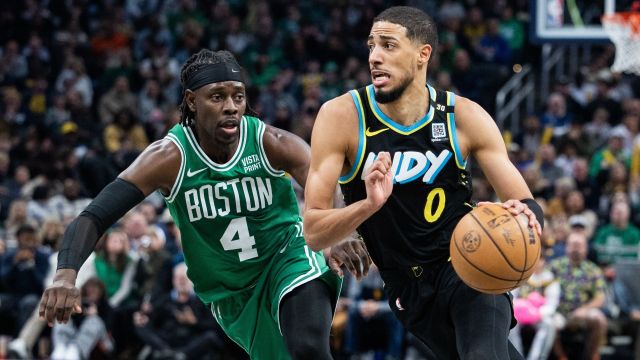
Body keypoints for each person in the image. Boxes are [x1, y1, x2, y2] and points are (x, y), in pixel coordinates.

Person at [39, 49, 369, 360]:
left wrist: (337, 231)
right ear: (191, 102)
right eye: (217, 96)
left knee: (309, 348)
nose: (231, 106)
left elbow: (324, 181)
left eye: (238, 96)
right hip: (231, 293)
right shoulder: (168, 158)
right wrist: (65, 276)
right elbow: (95, 215)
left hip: (288, 255)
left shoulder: (270, 142)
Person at [303, 6, 544, 359]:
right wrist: (366, 206)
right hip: (406, 286)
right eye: (371, 46)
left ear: (422, 54)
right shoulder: (341, 116)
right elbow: (314, 230)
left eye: (388, 45)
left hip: (470, 260)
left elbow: (526, 202)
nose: (374, 57)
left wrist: (521, 215)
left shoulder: (464, 117)